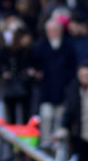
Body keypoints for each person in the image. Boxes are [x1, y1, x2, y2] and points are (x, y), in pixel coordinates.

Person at [33, 19, 77, 149]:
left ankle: (57, 145)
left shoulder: (68, 46)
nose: (52, 33)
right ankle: (46, 143)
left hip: (63, 89)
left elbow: (72, 66)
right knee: (46, 116)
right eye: (50, 30)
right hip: (46, 90)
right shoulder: (41, 46)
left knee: (60, 118)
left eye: (55, 30)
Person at [0, 28, 34, 125]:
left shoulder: (28, 51)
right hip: (10, 85)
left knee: (25, 112)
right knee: (11, 113)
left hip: (24, 85)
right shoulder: (6, 51)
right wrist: (4, 72)